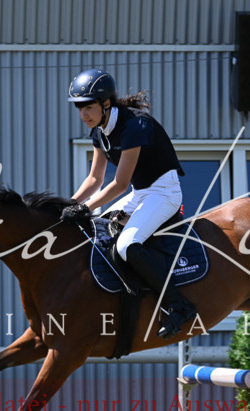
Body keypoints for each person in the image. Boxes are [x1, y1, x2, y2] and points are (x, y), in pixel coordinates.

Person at [61, 68, 196, 339]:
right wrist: (69, 204)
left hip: (164, 193)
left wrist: (85, 208)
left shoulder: (134, 126)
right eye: (79, 108)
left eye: (89, 107)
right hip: (141, 193)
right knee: (98, 231)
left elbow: (119, 184)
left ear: (106, 103)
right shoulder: (99, 132)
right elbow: (95, 179)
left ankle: (179, 305)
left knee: (126, 245)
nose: (84, 114)